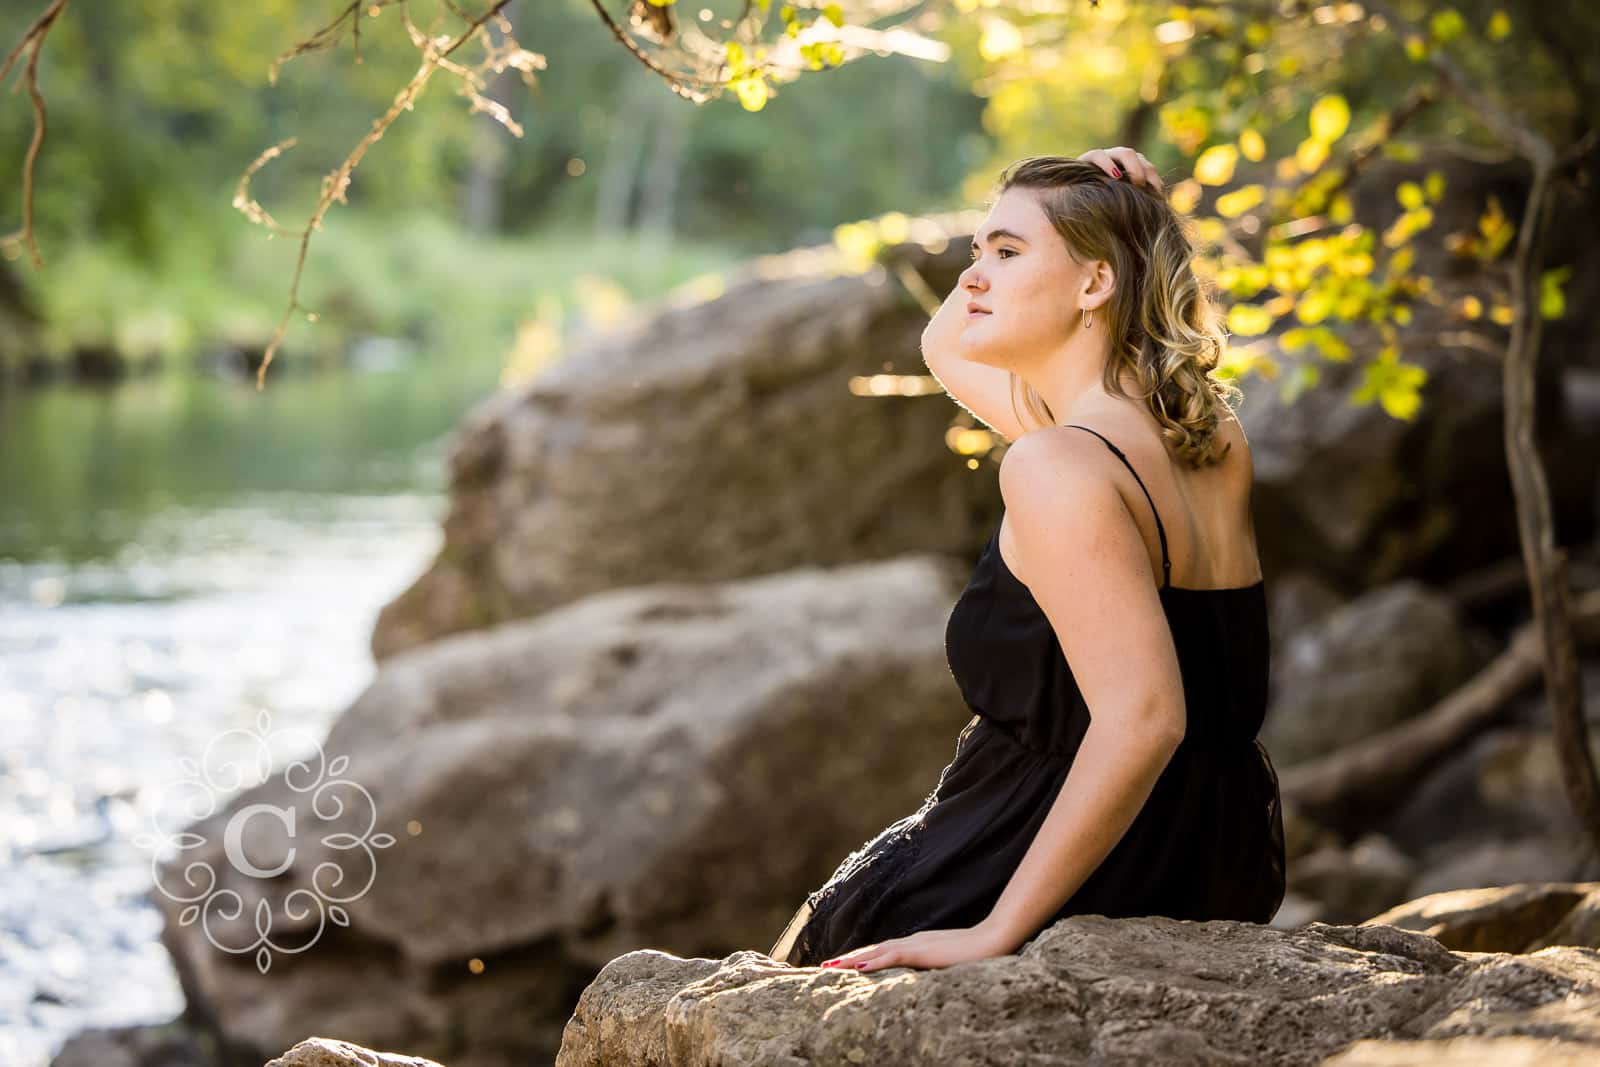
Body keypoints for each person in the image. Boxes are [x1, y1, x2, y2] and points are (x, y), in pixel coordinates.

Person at [768, 146, 1286, 973]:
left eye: (1006, 253)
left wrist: (993, 934)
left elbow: (1147, 718)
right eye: (976, 252)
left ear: (1094, 284)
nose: (973, 276)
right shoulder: (1211, 437)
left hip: (1040, 854)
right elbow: (949, 346)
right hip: (1206, 849)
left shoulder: (1056, 466)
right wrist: (1069, 197)